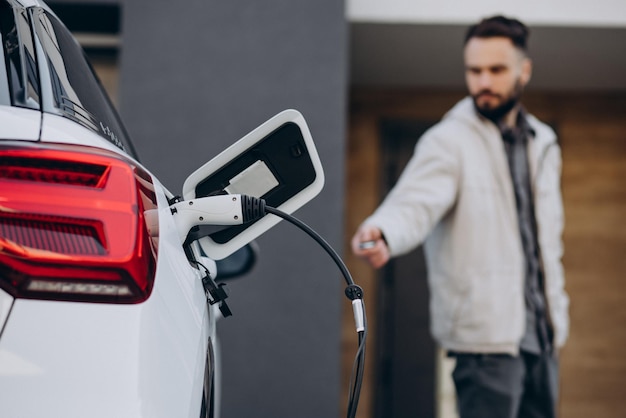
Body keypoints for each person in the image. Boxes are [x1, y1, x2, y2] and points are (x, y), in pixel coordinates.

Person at [351, 15, 569, 418]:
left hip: (543, 337)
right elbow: (413, 203)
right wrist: (384, 231)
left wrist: (557, 314)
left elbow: (547, 245)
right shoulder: (448, 141)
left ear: (524, 71)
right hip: (484, 345)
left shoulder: (543, 143)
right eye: (474, 70)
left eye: (496, 70)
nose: (483, 81)